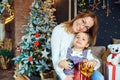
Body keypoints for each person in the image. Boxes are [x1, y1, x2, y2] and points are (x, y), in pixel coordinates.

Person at [51, 10, 104, 80]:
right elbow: (55, 58)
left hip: (81, 72)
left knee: (99, 77)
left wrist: (93, 62)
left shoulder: (81, 35)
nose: (82, 27)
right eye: (83, 21)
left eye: (86, 27)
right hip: (64, 71)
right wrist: (64, 77)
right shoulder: (59, 30)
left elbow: (91, 58)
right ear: (78, 16)